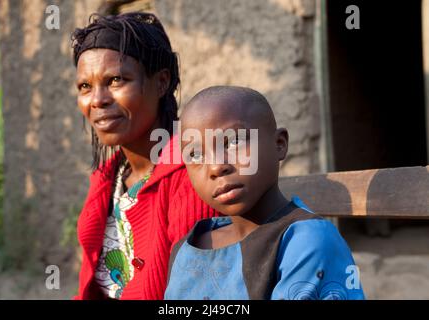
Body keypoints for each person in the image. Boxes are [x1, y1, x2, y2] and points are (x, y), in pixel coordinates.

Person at [164, 86, 365, 300]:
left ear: (279, 144)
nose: (216, 167)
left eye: (234, 142)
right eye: (195, 154)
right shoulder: (186, 249)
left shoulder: (306, 241)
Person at [71, 12, 219, 300]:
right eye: (85, 86)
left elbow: (198, 296)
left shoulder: (192, 176)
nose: (97, 100)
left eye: (116, 80)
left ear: (161, 82)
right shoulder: (109, 179)